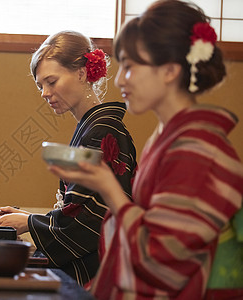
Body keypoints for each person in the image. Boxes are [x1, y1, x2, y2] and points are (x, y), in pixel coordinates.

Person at [49, 1, 243, 299]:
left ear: (168, 70)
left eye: (129, 66)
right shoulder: (170, 137)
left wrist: (108, 188)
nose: (119, 79)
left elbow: (161, 260)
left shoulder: (198, 149)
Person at [0, 30, 138, 286]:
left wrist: (29, 223)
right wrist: (30, 218)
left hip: (98, 273)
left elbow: (93, 217)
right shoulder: (93, 128)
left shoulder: (103, 130)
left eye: (52, 81)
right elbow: (82, 207)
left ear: (81, 72)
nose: (44, 93)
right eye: (40, 85)